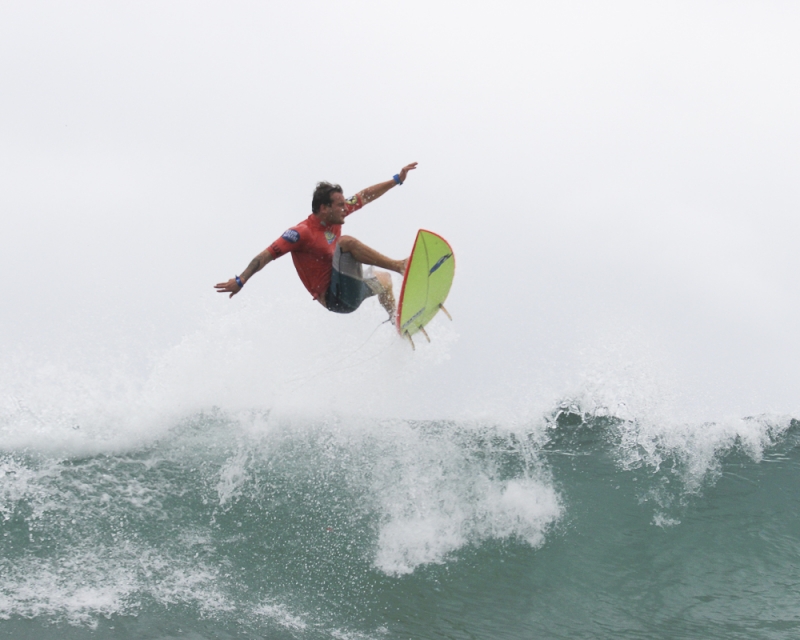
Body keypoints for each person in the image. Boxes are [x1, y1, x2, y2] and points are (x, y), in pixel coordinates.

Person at [214, 162, 417, 318]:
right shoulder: (301, 233)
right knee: (346, 243)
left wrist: (396, 179)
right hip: (335, 298)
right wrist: (241, 280)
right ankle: (400, 266)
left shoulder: (338, 214)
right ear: (324, 208)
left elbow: (365, 195)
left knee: (384, 281)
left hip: (350, 291)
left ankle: (397, 320)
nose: (345, 208)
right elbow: (265, 255)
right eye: (339, 205)